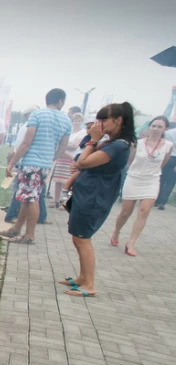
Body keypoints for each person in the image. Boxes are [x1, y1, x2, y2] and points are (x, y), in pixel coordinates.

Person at [63, 102, 137, 297]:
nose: (99, 124)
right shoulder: (111, 143)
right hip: (87, 194)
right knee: (78, 237)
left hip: (93, 198)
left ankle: (89, 285)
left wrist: (92, 140)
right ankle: (82, 277)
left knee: (82, 239)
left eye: (103, 119)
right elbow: (83, 164)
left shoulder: (119, 146)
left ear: (118, 120)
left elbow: (83, 161)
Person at [0, 89, 71, 244]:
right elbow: (62, 147)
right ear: (60, 101)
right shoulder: (66, 121)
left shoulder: (37, 115)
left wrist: (12, 163)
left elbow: (26, 142)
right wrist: (50, 159)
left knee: (31, 199)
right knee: (28, 197)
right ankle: (16, 229)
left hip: (31, 163)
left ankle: (29, 235)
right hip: (45, 164)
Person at [110, 116, 173, 256]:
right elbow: (130, 161)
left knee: (144, 211)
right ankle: (116, 232)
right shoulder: (137, 143)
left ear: (165, 129)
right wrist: (136, 173)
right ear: (149, 127)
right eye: (154, 126)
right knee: (126, 212)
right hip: (134, 178)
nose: (156, 129)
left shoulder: (168, 145)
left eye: (160, 127)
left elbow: (163, 162)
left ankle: (131, 243)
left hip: (152, 180)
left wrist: (152, 173)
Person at [156, 123, 176, 209]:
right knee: (170, 182)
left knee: (161, 179)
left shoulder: (168, 133)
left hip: (166, 156)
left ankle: (156, 200)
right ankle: (163, 202)